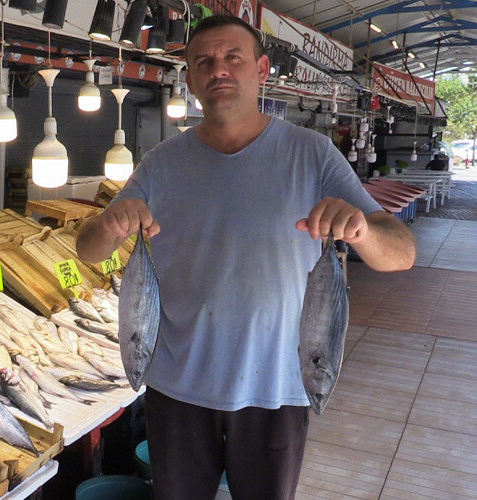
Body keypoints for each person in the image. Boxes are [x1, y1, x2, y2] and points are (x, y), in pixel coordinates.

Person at [76, 14, 416, 500]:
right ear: (190, 78)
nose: (218, 69)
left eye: (232, 57)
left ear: (261, 69)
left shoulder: (313, 154)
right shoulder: (160, 163)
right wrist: (109, 225)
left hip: (276, 389)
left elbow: (401, 253)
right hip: (177, 387)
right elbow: (87, 248)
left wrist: (361, 231)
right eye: (203, 62)